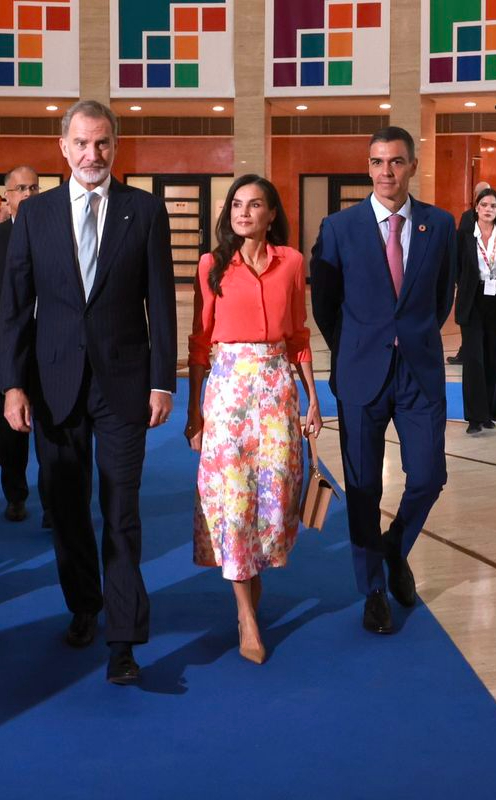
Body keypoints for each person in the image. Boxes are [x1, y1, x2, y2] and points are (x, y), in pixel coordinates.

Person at [0, 100, 176, 685]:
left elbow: (161, 301)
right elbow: (15, 308)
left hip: (125, 386)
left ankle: (123, 640)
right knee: (67, 508)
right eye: (81, 143)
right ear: (63, 147)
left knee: (121, 512)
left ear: (115, 147)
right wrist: (12, 384)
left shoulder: (144, 211)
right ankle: (83, 605)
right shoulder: (36, 215)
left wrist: (161, 381)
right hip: (53, 387)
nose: (91, 154)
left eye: (102, 143)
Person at [310, 126, 455, 635]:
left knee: (429, 476)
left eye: (395, 161)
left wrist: (409, 336)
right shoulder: (339, 227)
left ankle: (395, 547)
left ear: (412, 165)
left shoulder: (439, 225)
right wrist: (357, 344)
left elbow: (441, 297)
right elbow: (325, 305)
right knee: (365, 486)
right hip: (360, 373)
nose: (386, 172)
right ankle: (373, 588)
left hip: (418, 371)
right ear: (367, 167)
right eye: (376, 162)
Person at [186, 175, 320, 664]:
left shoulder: (292, 263)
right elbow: (200, 344)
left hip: (278, 386)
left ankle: (250, 583)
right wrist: (194, 412)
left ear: (270, 214)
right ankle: (246, 617)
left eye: (255, 204)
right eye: (237, 205)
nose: (244, 212)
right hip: (228, 390)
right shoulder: (212, 265)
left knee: (275, 493)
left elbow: (299, 333)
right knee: (234, 497)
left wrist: (312, 397)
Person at [0, 165, 49, 525]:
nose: (30, 194)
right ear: (7, 197)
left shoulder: (58, 234)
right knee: (12, 432)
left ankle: (54, 503)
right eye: (22, 188)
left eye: (35, 187)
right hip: (7, 349)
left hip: (51, 347)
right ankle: (15, 494)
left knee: (54, 430)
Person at [457, 187, 496, 434]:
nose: (489, 209)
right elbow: (457, 266)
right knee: (474, 359)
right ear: (476, 208)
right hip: (473, 300)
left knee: (494, 357)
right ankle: (474, 416)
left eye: (493, 206)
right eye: (484, 205)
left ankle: (490, 413)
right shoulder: (463, 236)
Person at [447, 181, 489, 366]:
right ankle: (466, 352)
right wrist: (458, 276)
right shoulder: (467, 217)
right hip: (469, 278)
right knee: (467, 318)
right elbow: (460, 246)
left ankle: (480, 353)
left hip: (489, 279)